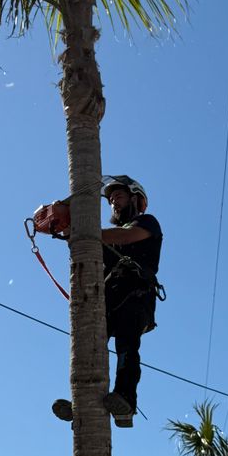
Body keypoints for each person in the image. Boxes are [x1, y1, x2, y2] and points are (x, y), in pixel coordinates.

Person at [52, 175, 163, 429]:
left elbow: (124, 236)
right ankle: (81, 401)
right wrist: (66, 228)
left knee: (126, 346)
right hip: (109, 299)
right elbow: (89, 248)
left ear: (137, 200)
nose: (114, 202)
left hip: (136, 297)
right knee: (89, 346)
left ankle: (126, 400)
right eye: (111, 200)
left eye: (119, 197)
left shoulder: (147, 223)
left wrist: (85, 231)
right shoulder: (105, 238)